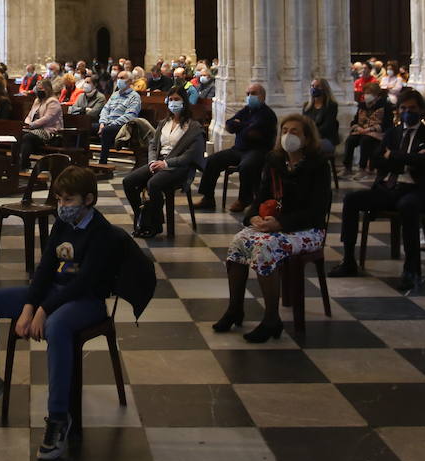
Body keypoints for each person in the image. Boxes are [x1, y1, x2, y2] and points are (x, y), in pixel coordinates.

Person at [0, 165, 147, 461]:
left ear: (88, 199)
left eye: (68, 200)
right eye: (60, 200)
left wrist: (43, 311)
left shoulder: (103, 234)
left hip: (86, 301)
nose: (62, 207)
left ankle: (59, 418)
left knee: (57, 326)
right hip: (53, 294)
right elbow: (45, 269)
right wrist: (28, 307)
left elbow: (84, 282)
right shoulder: (62, 225)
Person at [212, 114, 332, 341]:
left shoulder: (318, 165)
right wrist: (253, 217)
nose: (288, 136)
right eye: (285, 130)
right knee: (239, 241)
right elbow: (262, 195)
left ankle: (271, 319)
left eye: (294, 131)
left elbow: (316, 210)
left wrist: (282, 223)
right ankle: (234, 308)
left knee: (265, 248)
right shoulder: (275, 160)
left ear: (307, 137)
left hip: (307, 229)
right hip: (274, 224)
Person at [330, 88, 425, 293]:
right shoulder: (393, 133)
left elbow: (424, 162)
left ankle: (411, 270)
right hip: (389, 187)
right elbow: (377, 160)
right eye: (403, 108)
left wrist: (395, 156)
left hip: (416, 190)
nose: (408, 112)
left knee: (407, 206)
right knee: (352, 200)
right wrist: (404, 160)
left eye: (412, 108)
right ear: (398, 110)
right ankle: (348, 260)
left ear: (421, 110)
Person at [122, 91, 207, 237]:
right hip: (158, 161)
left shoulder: (193, 127)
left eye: (177, 99)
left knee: (153, 184)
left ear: (184, 102)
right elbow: (153, 145)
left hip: (178, 167)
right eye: (171, 99)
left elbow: (190, 155)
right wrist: (152, 161)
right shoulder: (164, 123)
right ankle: (143, 215)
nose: (173, 102)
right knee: (128, 181)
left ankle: (155, 223)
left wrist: (165, 164)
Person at [194, 82, 277, 213]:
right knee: (212, 160)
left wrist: (240, 126)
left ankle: (244, 199)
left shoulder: (267, 114)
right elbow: (229, 125)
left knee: (247, 166)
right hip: (238, 150)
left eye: (253, 94)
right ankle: (208, 198)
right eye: (248, 94)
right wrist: (245, 126)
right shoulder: (246, 110)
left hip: (258, 151)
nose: (250, 96)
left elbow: (252, 133)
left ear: (263, 96)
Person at [342, 82, 392, 178]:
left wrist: (370, 129)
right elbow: (354, 121)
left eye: (369, 93)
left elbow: (387, 124)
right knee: (350, 140)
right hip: (362, 130)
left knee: (365, 141)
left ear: (376, 94)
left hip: (377, 133)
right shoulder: (362, 106)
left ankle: (362, 168)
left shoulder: (385, 106)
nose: (366, 95)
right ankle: (347, 167)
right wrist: (358, 127)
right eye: (365, 92)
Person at [96, 70, 142, 165]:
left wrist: (111, 124)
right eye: (118, 78)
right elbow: (105, 109)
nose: (119, 80)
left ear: (129, 81)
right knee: (88, 126)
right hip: (107, 124)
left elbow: (130, 116)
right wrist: (102, 123)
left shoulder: (134, 97)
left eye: (122, 78)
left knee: (107, 130)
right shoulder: (115, 94)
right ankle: (83, 159)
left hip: (123, 126)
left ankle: (102, 163)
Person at [17, 79, 63, 170]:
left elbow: (47, 118)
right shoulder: (37, 101)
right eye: (38, 89)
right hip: (34, 129)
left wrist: (31, 125)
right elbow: (29, 115)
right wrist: (27, 123)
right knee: (18, 134)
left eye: (41, 89)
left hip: (49, 131)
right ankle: (15, 163)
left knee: (28, 137)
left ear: (48, 89)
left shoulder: (53, 102)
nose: (39, 91)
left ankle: (23, 164)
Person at [302, 78, 339, 157]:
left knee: (310, 146)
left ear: (325, 89)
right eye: (312, 86)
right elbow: (303, 123)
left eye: (317, 86)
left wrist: (311, 135)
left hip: (326, 138)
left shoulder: (331, 106)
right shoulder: (306, 106)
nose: (314, 88)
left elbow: (328, 126)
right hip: (309, 137)